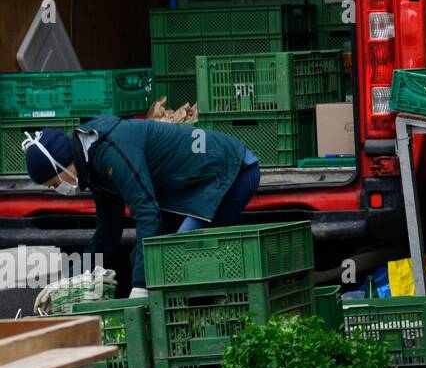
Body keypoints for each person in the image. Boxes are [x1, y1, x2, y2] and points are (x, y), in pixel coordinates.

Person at [24, 115, 261, 298]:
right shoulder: (92, 168)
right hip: (190, 189)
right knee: (143, 257)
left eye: (55, 183)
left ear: (63, 165)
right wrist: (68, 280)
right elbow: (108, 232)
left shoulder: (108, 152)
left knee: (175, 259)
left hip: (231, 171)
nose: (58, 189)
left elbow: (147, 213)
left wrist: (140, 286)